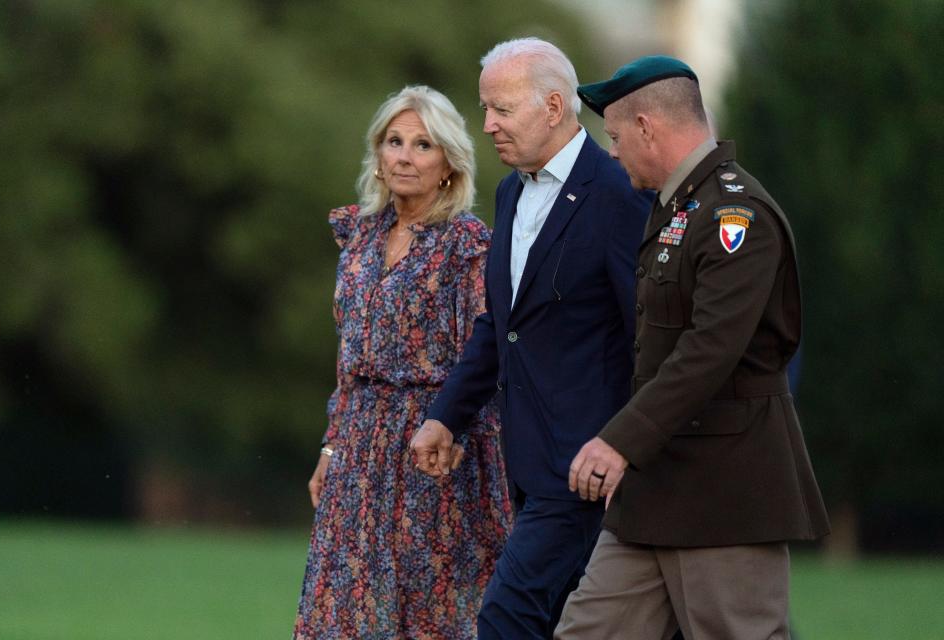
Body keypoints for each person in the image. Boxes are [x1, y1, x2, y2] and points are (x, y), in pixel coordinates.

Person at [555, 55, 831, 640]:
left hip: (724, 491)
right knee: (587, 632)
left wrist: (618, 443)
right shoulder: (679, 208)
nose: (613, 152)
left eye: (617, 136)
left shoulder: (736, 213)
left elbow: (710, 349)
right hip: (654, 491)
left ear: (649, 127)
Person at [410, 38, 652, 639]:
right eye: (485, 108)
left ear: (552, 106)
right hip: (525, 461)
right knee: (564, 624)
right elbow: (502, 322)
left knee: (505, 618)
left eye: (502, 109)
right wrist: (447, 416)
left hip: (588, 466)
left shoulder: (619, 193)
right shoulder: (511, 190)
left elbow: (648, 332)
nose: (487, 125)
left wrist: (626, 443)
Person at [292, 85, 512, 640]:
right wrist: (330, 445)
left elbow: (483, 359)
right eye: (395, 141)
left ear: (448, 164)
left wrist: (453, 431)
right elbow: (348, 359)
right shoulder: (360, 237)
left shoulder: (468, 245)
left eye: (423, 144)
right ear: (378, 153)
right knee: (340, 611)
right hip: (359, 452)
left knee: (429, 615)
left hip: (433, 447)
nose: (405, 156)